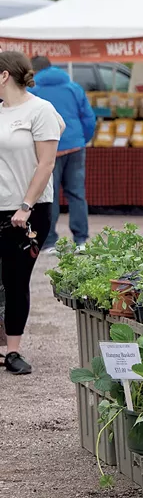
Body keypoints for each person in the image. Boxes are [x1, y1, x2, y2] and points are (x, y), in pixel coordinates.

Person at [0, 52, 63, 375]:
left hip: (28, 210)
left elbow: (47, 163)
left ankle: (12, 351)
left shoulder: (40, 110)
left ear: (4, 76)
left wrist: (26, 205)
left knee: (15, 279)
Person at [29, 56, 95, 250]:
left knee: (49, 195)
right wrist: (82, 139)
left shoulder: (34, 91)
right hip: (75, 146)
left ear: (34, 71)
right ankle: (81, 240)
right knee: (77, 194)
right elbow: (89, 118)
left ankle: (49, 241)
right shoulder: (74, 87)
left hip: (48, 147)